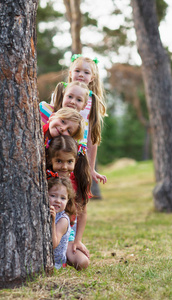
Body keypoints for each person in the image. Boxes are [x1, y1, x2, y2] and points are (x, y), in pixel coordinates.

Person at [39, 54, 107, 184]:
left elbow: (92, 137)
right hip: (57, 145)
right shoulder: (62, 92)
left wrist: (91, 168)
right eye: (77, 71)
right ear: (70, 73)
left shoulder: (92, 102)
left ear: (92, 78)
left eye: (86, 72)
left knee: (78, 187)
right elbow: (51, 117)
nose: (81, 75)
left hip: (78, 150)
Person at [46, 135, 91, 270]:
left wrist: (77, 240)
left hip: (68, 229)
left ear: (76, 160)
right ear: (50, 159)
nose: (64, 167)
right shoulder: (46, 177)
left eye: (69, 161)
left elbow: (82, 213)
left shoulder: (79, 180)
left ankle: (63, 254)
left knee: (82, 262)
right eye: (59, 161)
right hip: (48, 224)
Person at [47, 174, 76, 270]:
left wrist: (52, 221)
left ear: (68, 201)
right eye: (53, 195)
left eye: (63, 198)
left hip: (55, 263)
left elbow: (54, 244)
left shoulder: (63, 219)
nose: (58, 201)